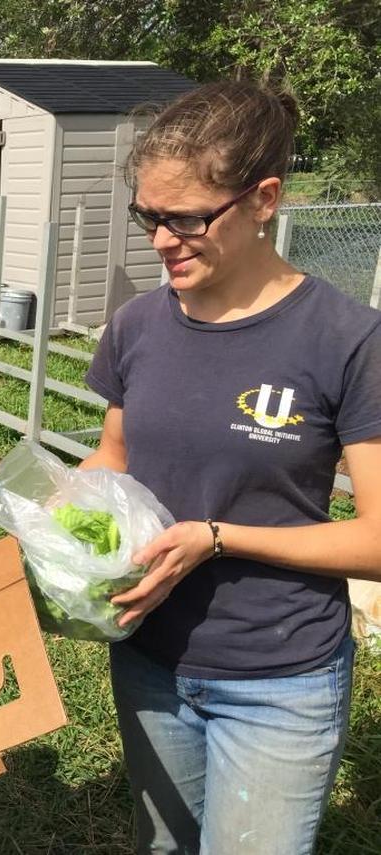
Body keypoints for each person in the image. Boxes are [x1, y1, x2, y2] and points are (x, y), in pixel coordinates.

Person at [82, 80, 381, 854]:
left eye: (185, 219)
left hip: (279, 676)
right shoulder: (136, 326)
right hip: (149, 657)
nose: (160, 241)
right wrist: (52, 528)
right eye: (149, 217)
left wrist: (218, 537)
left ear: (264, 199)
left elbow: (378, 540)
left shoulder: (348, 340)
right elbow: (112, 460)